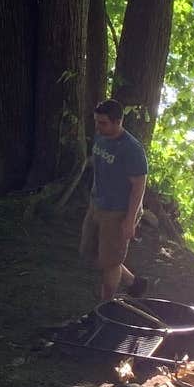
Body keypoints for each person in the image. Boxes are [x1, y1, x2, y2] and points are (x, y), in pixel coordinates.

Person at [80, 99, 149, 301]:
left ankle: (106, 307)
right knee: (90, 251)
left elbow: (139, 186)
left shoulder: (132, 149)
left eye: (103, 123)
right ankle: (134, 282)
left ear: (118, 121)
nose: (98, 127)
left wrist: (129, 220)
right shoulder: (101, 138)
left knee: (109, 263)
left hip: (117, 212)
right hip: (97, 205)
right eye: (96, 122)